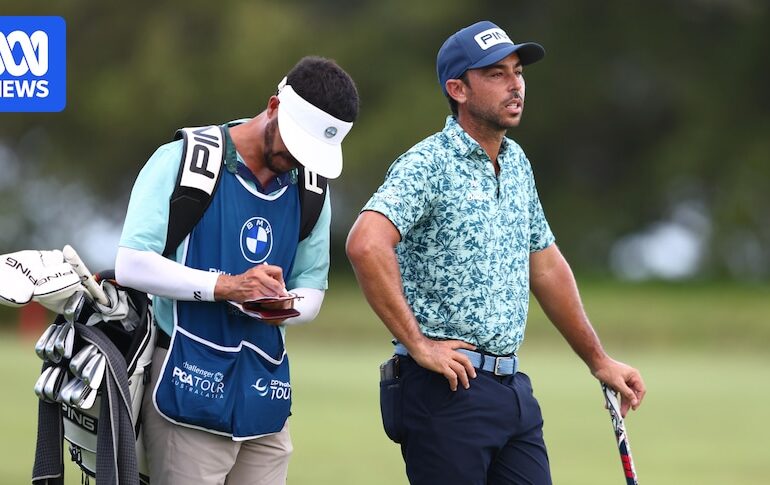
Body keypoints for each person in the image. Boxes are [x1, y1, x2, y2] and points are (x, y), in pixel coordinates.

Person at [346, 21, 645, 485]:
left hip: (511, 391)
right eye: (497, 74)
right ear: (458, 89)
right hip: (445, 392)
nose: (516, 85)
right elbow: (366, 243)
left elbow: (545, 267)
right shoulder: (429, 163)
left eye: (518, 71)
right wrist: (419, 345)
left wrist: (599, 361)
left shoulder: (518, 163)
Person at [115, 56, 359, 485]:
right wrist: (226, 287)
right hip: (186, 378)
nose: (298, 160)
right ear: (273, 107)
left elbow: (312, 289)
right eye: (296, 145)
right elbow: (132, 264)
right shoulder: (184, 160)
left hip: (264, 389)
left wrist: (279, 305)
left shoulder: (312, 188)